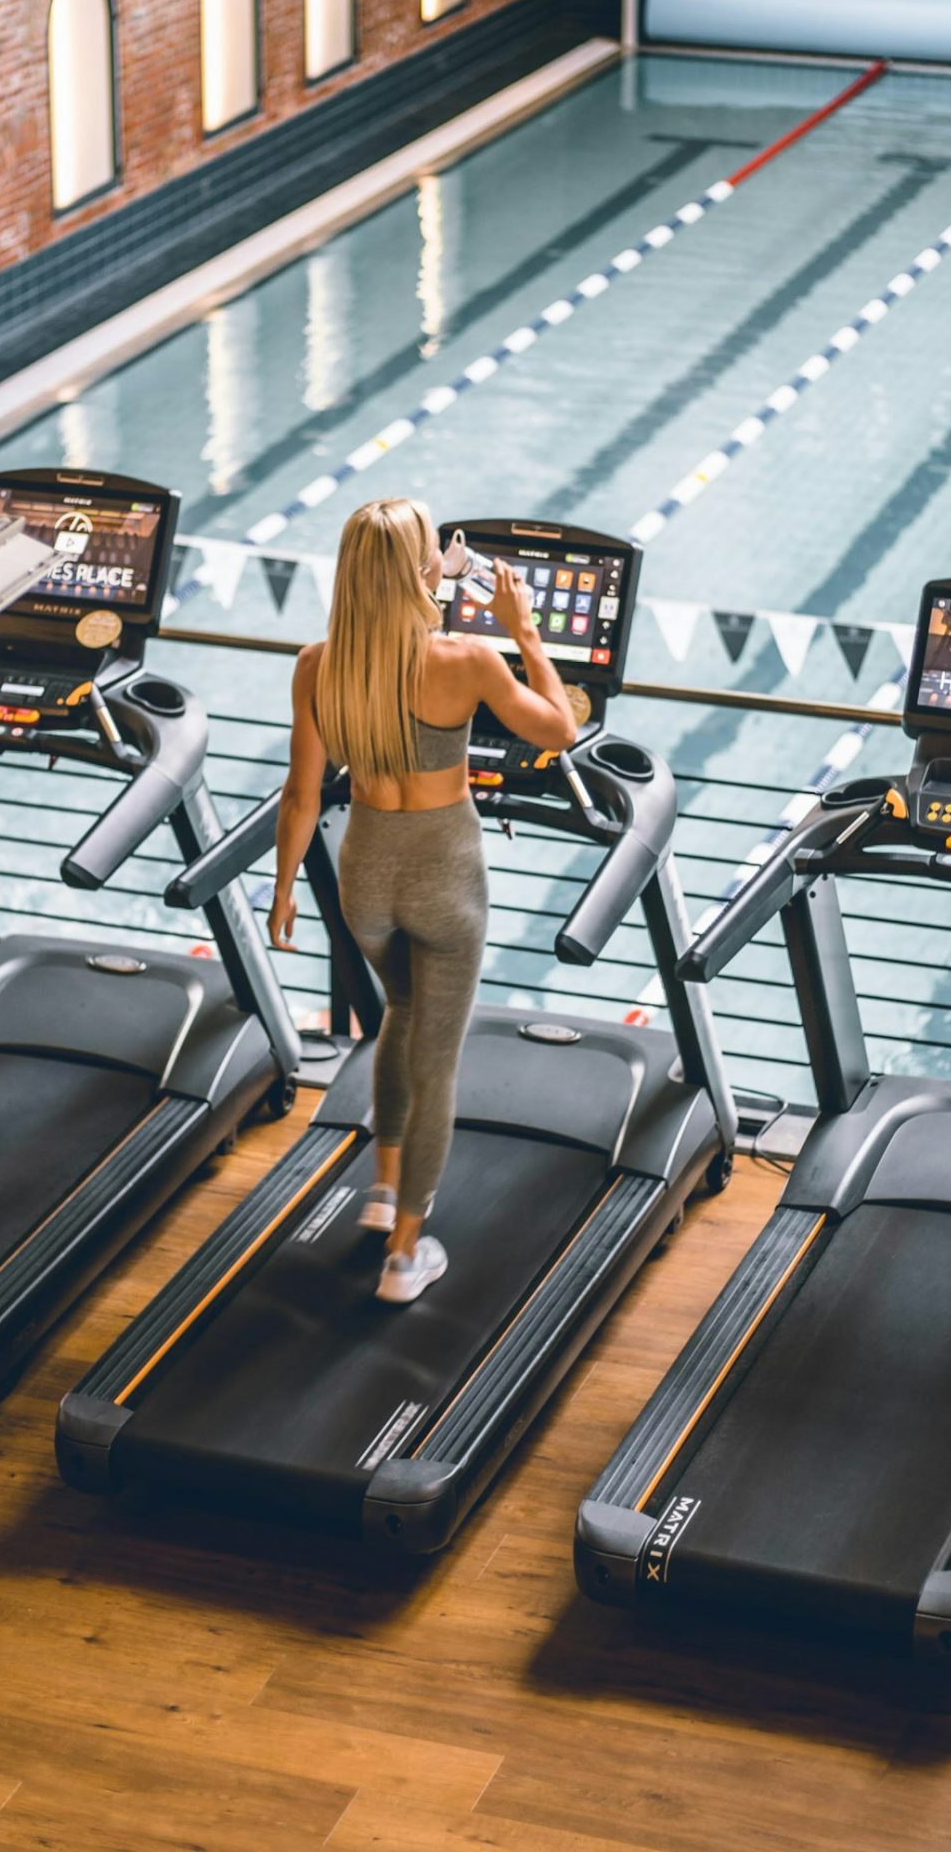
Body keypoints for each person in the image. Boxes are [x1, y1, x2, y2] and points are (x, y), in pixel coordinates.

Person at [268, 499, 577, 1304]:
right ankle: (406, 1255)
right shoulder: (468, 660)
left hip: (363, 873)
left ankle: (382, 1191)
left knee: (401, 1016)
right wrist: (526, 630)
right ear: (419, 570)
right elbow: (557, 732)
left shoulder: (317, 663)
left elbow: (301, 795)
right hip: (443, 875)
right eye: (434, 549)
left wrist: (281, 895)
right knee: (437, 1065)